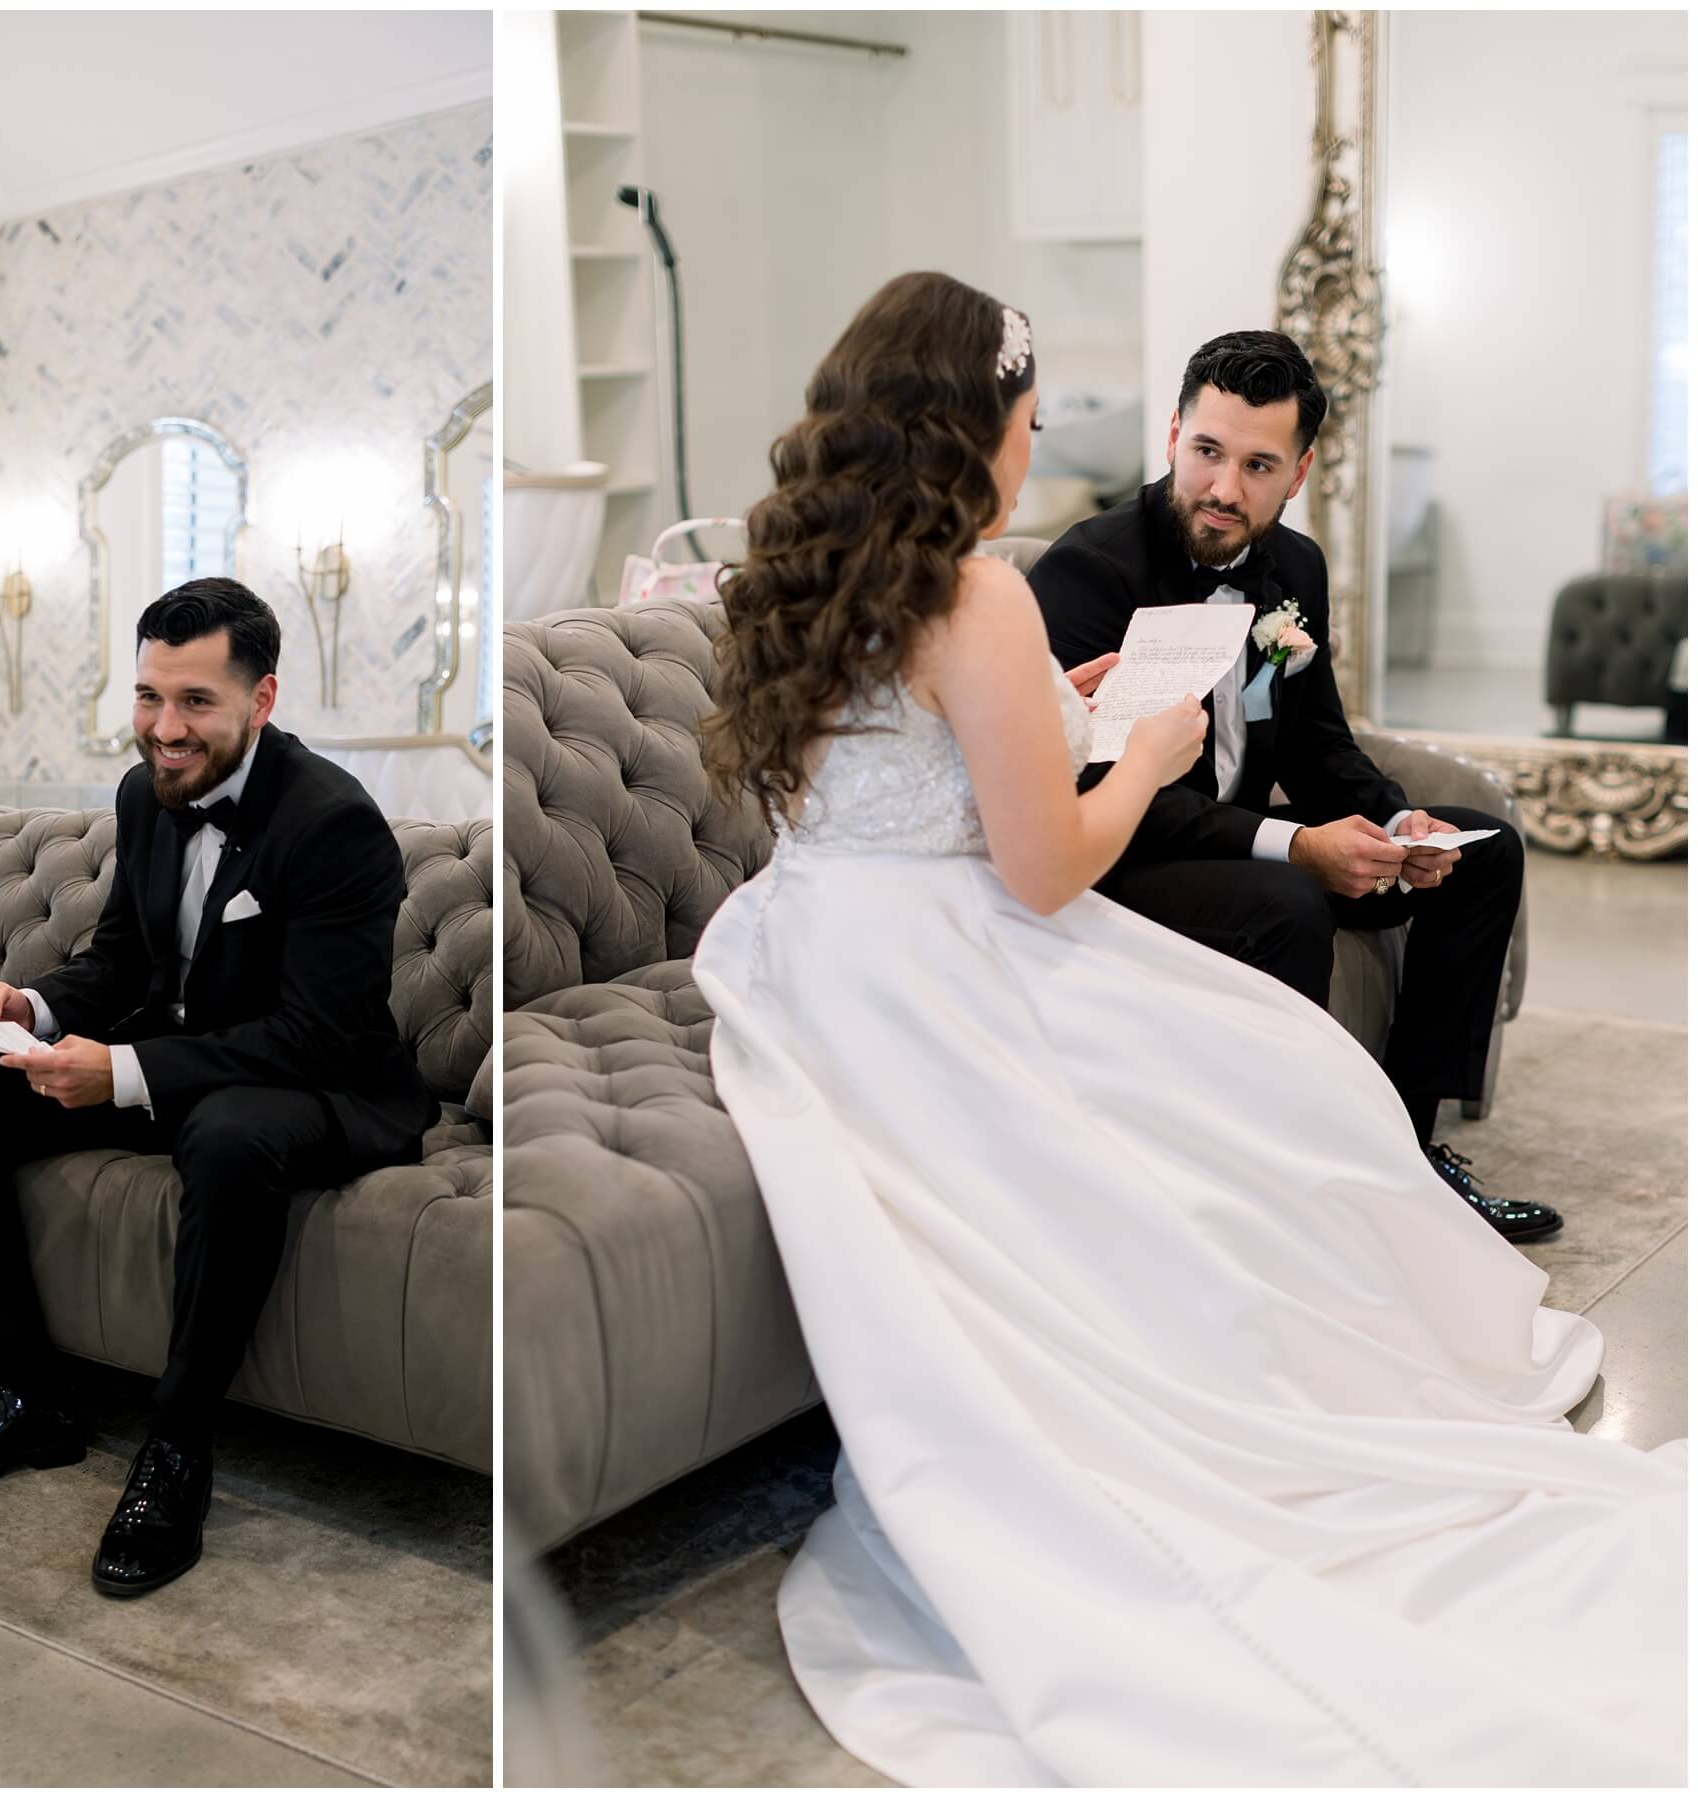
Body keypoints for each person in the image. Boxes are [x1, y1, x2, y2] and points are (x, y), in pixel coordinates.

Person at [688, 272, 1684, 1784]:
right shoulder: (980, 583)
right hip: (953, 945)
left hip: (807, 942)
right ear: (977, 431)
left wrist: (1055, 703)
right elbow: (1043, 868)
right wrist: (1144, 746)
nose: (1034, 450)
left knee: (1255, 1059)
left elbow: (902, 761)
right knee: (1271, 1074)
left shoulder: (805, 567)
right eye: (1026, 421)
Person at [0, 577, 436, 1598]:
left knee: (232, 1138)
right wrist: (39, 1012)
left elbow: (313, 1033)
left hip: (313, 1083)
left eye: (195, 701)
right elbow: (119, 964)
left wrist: (123, 1073)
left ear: (261, 700)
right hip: (173, 1061)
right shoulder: (143, 793)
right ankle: (28, 1387)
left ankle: (178, 1451)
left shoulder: (335, 824)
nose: (164, 727)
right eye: (150, 696)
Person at [1031, 332, 1550, 1240]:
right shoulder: (1091, 571)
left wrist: (1399, 819)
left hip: (1229, 834)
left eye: (1258, 464)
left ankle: (1404, 1149)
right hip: (1125, 855)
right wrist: (1299, 847)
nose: (1226, 488)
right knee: (1289, 902)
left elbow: (1319, 748)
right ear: (1172, 437)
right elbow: (1112, 793)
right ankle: (1282, 1192)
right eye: (1207, 452)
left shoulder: (1295, 571)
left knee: (1484, 851)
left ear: (1300, 470)